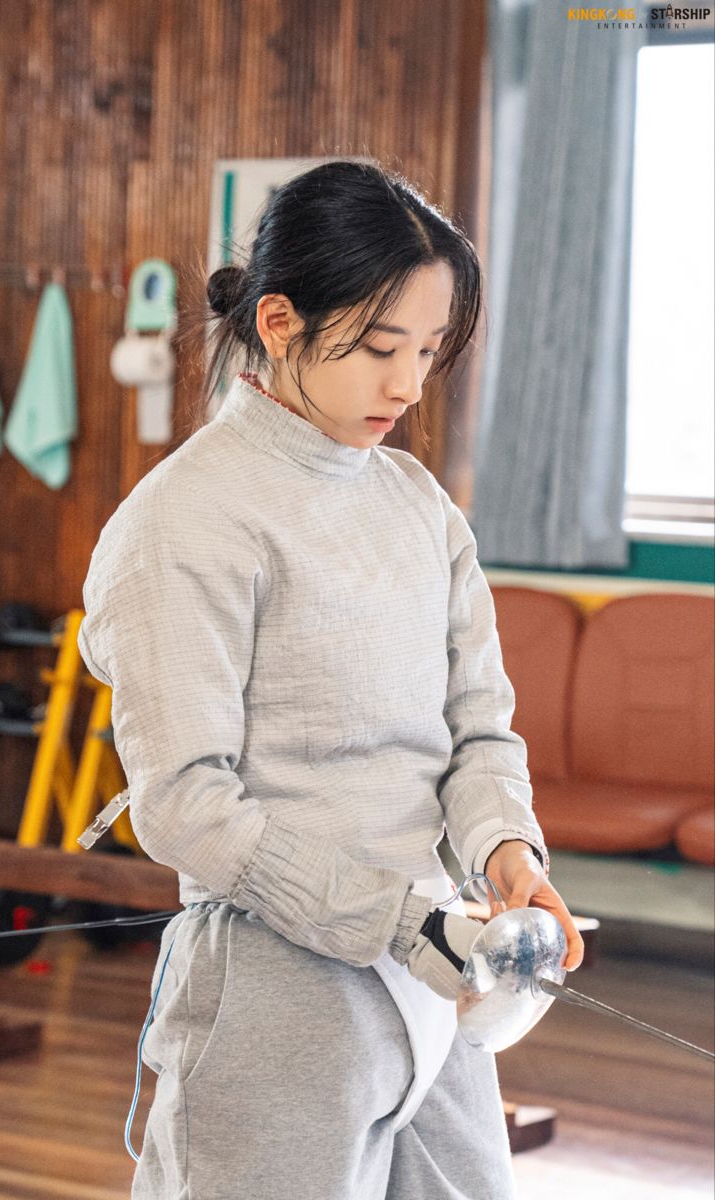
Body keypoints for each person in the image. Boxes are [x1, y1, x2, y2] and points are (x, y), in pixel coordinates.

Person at [78, 159, 584, 1200]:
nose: (407, 385)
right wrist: (404, 924)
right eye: (378, 348)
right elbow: (185, 807)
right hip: (276, 996)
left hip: (436, 978)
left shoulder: (417, 504)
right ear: (279, 323)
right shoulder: (184, 521)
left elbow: (478, 727)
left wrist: (505, 852)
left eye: (428, 350)